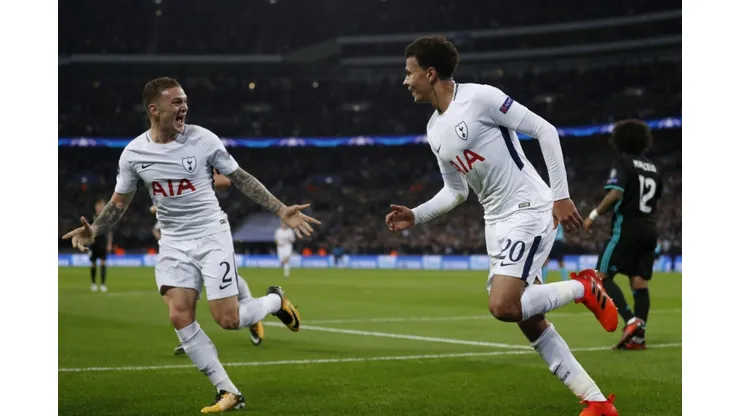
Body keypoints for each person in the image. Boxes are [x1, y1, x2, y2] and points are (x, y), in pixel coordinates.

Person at [385, 36, 619, 416]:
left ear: (430, 73)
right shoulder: (434, 130)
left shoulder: (480, 98)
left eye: (409, 73)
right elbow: (456, 191)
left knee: (503, 305)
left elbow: (545, 130)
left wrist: (560, 196)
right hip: (494, 222)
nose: (405, 81)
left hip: (528, 208)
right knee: (528, 319)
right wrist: (417, 213)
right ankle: (595, 401)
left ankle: (584, 287)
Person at [63, 77, 320, 413]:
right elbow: (119, 203)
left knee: (228, 319)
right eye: (176, 102)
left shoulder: (203, 139)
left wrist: (280, 209)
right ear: (154, 110)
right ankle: (228, 391)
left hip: (211, 235)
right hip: (173, 241)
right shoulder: (133, 154)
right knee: (179, 315)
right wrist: (95, 230)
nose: (184, 107)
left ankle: (275, 301)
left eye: (185, 101)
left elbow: (240, 178)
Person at [583, 119, 663, 351]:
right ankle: (638, 338)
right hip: (649, 228)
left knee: (600, 277)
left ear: (620, 140)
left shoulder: (623, 163)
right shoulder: (653, 168)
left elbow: (616, 194)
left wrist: (593, 215)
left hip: (627, 228)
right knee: (639, 282)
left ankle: (630, 321)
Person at [89, 199, 113, 292]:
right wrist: (90, 239)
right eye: (99, 207)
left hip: (103, 243)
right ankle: (93, 283)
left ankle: (103, 284)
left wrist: (109, 243)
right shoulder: (92, 218)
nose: (100, 208)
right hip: (93, 244)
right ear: (96, 208)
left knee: (103, 263)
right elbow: (87, 230)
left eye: (102, 206)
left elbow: (109, 232)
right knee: (93, 264)